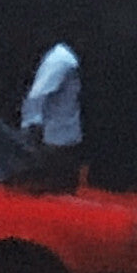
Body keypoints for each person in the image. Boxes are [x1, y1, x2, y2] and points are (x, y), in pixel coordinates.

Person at [19, 29, 84, 186]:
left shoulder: (64, 59)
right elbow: (38, 95)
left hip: (65, 137)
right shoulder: (60, 59)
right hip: (57, 140)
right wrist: (31, 126)